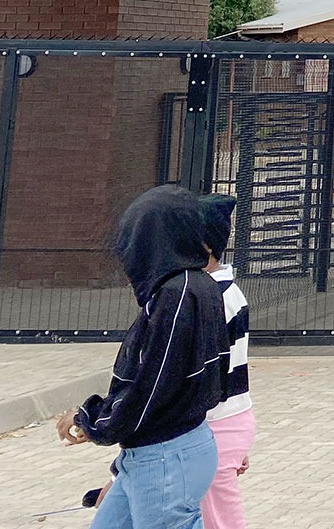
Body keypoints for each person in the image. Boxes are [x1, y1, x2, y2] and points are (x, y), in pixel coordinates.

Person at [57, 185, 228, 529]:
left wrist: (95, 422)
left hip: (165, 456)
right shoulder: (195, 286)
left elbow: (153, 385)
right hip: (164, 449)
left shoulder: (177, 295)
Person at [198, 194, 255, 529]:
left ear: (205, 246)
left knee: (220, 520)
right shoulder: (227, 292)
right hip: (228, 423)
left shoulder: (213, 298)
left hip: (215, 424)